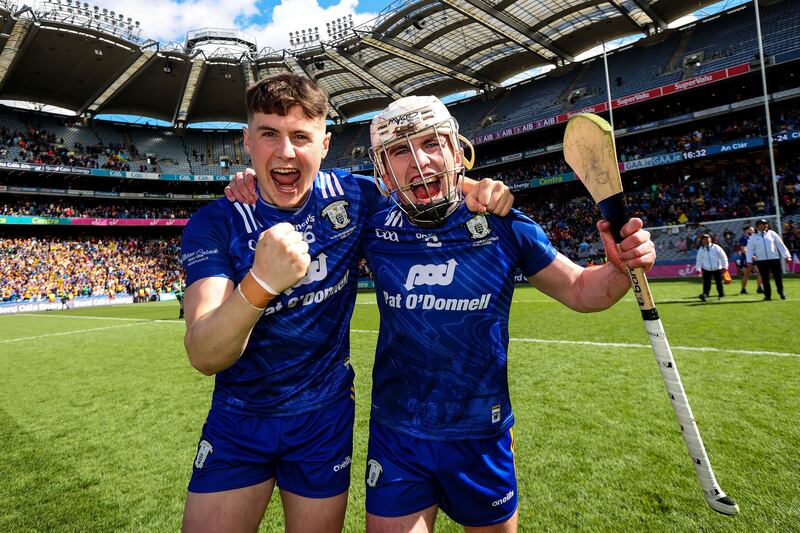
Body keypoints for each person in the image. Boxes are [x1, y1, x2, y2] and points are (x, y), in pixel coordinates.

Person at [182, 73, 512, 533]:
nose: (285, 152)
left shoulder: (355, 197)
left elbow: (423, 181)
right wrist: (260, 282)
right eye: (269, 135)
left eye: (301, 137)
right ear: (247, 143)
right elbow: (203, 353)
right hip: (239, 419)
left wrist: (476, 188)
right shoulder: (215, 222)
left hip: (323, 418)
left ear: (324, 145)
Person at [358, 96, 655, 532]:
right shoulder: (371, 225)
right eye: (400, 150)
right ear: (382, 170)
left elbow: (580, 290)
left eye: (430, 143)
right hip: (398, 434)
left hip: (482, 434)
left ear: (458, 152)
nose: (419, 162)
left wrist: (617, 266)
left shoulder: (506, 224)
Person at [746, 218, 792, 301]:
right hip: (761, 261)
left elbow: (780, 245)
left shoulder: (772, 234)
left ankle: (781, 293)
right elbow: (749, 250)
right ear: (758, 226)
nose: (765, 225)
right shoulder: (753, 237)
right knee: (765, 278)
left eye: (766, 224)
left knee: (778, 277)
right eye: (763, 224)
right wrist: (749, 260)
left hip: (774, 259)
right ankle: (767, 295)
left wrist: (787, 256)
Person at [695, 233, 728, 301]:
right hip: (706, 269)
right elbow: (699, 260)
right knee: (706, 283)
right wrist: (698, 269)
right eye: (704, 239)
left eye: (707, 238)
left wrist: (725, 266)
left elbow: (723, 257)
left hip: (717, 268)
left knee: (719, 282)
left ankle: (721, 294)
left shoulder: (716, 247)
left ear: (710, 239)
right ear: (702, 240)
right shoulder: (701, 249)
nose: (706, 240)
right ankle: (705, 295)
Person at [736, 225, 763, 294]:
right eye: (751, 230)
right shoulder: (744, 238)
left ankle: (759, 288)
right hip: (746, 258)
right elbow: (743, 250)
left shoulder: (754, 238)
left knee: (760, 272)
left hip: (755, 258)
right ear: (746, 230)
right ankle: (743, 289)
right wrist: (750, 256)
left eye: (753, 230)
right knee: (747, 274)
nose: (753, 231)